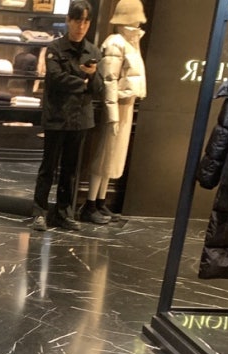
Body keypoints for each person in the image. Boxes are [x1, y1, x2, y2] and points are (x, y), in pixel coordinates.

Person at [32, 0, 103, 232]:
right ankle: (39, 212)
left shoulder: (93, 51)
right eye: (77, 20)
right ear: (68, 20)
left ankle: (63, 214)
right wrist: (83, 82)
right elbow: (55, 79)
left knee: (71, 170)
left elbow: (99, 88)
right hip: (56, 117)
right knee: (48, 167)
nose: (81, 26)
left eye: (86, 21)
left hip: (80, 119)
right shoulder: (55, 48)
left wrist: (92, 76)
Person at [79, 0, 147, 224]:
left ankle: (100, 202)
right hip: (116, 105)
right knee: (104, 157)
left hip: (126, 104)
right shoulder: (115, 43)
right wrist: (112, 114)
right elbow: (109, 81)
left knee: (113, 158)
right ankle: (90, 204)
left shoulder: (131, 43)